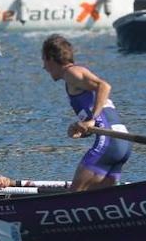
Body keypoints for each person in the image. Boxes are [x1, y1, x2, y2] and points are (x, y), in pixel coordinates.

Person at [42, 34, 131, 190]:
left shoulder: (72, 72)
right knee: (100, 203)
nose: (44, 67)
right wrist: (83, 129)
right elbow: (100, 119)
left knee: (74, 198)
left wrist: (92, 119)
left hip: (109, 142)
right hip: (122, 142)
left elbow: (104, 86)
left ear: (50, 58)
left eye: (44, 60)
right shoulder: (73, 77)